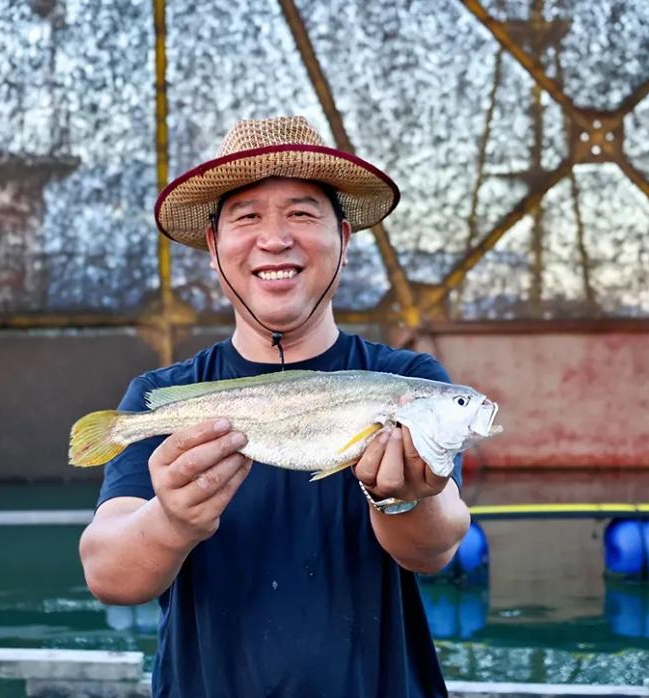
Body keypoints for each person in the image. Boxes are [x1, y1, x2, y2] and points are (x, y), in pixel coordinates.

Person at [79, 115, 471, 697]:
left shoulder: (410, 381)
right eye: (247, 216)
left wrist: (402, 500)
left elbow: (436, 549)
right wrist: (172, 521)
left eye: (302, 213)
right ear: (214, 247)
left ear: (344, 237)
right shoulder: (157, 395)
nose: (275, 238)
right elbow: (107, 573)